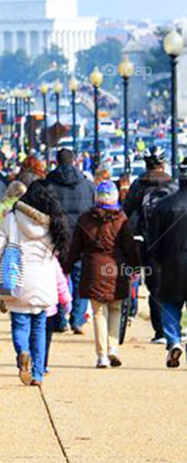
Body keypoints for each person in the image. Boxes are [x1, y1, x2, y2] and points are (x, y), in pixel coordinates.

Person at [0, 181, 69, 386]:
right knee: (40, 328)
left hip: (18, 279)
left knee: (19, 323)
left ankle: (22, 352)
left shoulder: (12, 219)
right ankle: (38, 373)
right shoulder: (54, 224)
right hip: (44, 282)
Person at [67, 180, 140, 368]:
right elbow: (130, 247)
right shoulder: (121, 220)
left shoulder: (85, 219)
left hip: (93, 269)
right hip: (116, 269)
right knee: (116, 309)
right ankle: (113, 349)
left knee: (99, 313)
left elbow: (75, 248)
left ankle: (101, 356)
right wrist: (135, 266)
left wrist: (65, 266)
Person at [40, 148, 95, 334]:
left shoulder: (48, 184)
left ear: (56, 161)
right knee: (80, 279)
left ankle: (59, 319)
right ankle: (77, 318)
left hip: (56, 236)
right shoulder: (87, 185)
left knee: (55, 278)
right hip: (80, 237)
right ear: (75, 161)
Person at [124, 148, 174, 344]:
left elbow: (126, 212)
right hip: (169, 240)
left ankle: (159, 330)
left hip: (144, 240)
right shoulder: (172, 184)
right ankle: (170, 328)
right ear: (162, 164)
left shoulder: (138, 185)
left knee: (152, 284)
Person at [144, 160, 187, 367]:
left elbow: (153, 242)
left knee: (170, 304)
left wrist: (152, 266)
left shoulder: (163, 206)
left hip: (170, 265)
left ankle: (174, 340)